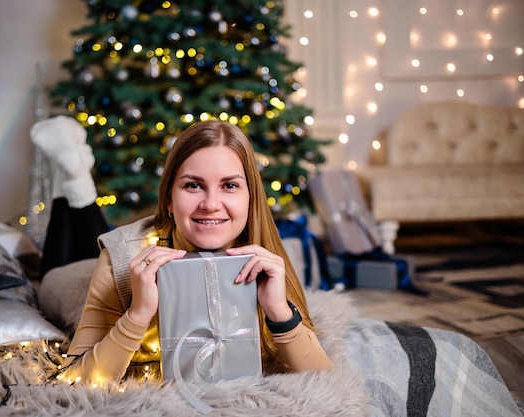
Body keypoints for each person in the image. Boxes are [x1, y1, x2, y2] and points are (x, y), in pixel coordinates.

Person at [61, 120, 334, 384]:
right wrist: (138, 314)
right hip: (69, 283)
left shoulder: (264, 256)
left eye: (230, 185)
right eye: (193, 185)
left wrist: (279, 312)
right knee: (53, 270)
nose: (211, 204)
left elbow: (327, 384)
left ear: (250, 198)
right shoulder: (121, 256)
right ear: (169, 199)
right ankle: (70, 185)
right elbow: (75, 381)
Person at [30, 115, 109, 278]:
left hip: (57, 286)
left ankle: (71, 169)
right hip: (92, 288)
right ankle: (76, 172)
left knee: (53, 278)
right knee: (105, 270)